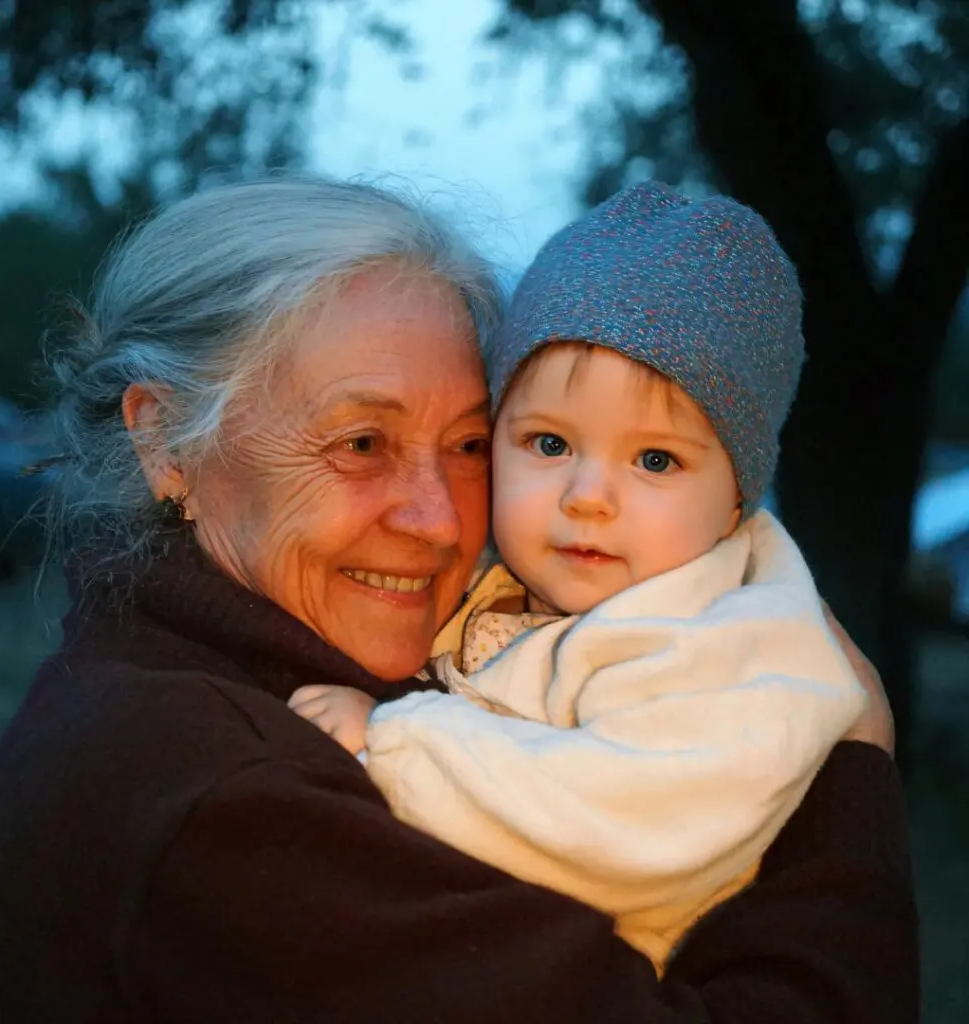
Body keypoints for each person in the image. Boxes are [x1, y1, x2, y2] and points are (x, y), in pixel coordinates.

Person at [0, 176, 917, 1023]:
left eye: (470, 447)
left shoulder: (193, 686)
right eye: (359, 444)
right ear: (167, 443)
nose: (435, 522)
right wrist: (851, 783)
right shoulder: (226, 804)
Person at [287, 182, 871, 973]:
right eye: (550, 444)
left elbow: (627, 824)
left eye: (655, 460)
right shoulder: (503, 585)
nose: (587, 498)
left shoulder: (739, 645)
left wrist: (392, 741)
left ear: (737, 497)